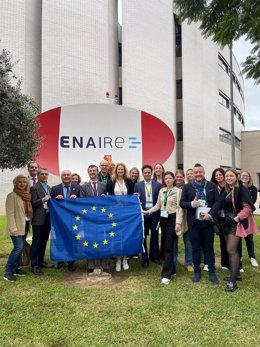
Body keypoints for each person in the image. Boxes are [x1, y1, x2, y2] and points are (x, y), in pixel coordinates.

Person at [180, 163, 220, 284]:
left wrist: (211, 214)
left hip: (208, 222)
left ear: (204, 172)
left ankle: (212, 272)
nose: (198, 174)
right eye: (196, 172)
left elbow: (218, 203)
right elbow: (182, 203)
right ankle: (197, 271)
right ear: (193, 173)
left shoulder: (212, 185)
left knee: (209, 247)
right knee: (195, 248)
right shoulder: (187, 187)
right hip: (194, 223)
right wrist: (192, 204)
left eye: (200, 172)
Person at [143, 171, 183, 285]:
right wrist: (148, 211)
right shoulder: (162, 190)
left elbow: (180, 208)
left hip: (173, 218)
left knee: (169, 246)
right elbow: (158, 205)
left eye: (170, 178)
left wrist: (178, 223)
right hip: (163, 219)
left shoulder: (178, 191)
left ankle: (166, 275)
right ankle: (172, 269)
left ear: (173, 179)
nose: (168, 180)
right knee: (167, 244)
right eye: (166, 178)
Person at [220, 169, 256, 292]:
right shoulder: (226, 190)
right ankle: (236, 274)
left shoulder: (242, 188)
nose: (229, 178)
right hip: (226, 223)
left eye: (231, 176)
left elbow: (248, 208)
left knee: (231, 249)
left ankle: (233, 282)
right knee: (232, 250)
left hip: (236, 223)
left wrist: (238, 218)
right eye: (227, 176)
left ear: (236, 177)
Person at [3, 175, 33, 282]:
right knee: (18, 248)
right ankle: (8, 272)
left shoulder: (26, 196)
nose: (22, 184)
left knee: (20, 248)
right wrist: (13, 228)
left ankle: (15, 269)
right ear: (15, 183)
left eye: (24, 182)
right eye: (20, 182)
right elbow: (10, 214)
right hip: (16, 227)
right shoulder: (12, 196)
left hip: (24, 225)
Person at [50, 170, 80, 271]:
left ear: (71, 176)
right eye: (64, 175)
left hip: (73, 220)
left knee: (72, 239)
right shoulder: (55, 188)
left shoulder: (78, 188)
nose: (66, 176)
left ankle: (71, 262)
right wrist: (55, 198)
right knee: (60, 239)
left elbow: (83, 202)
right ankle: (60, 260)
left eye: (68, 175)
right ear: (61, 177)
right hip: (60, 220)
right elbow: (50, 203)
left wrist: (77, 198)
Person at [107, 163, 134, 271]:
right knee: (117, 235)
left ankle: (125, 259)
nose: (120, 171)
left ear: (124, 170)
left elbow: (132, 195)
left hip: (126, 212)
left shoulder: (129, 181)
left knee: (126, 235)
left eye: (122, 169)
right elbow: (108, 196)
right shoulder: (111, 181)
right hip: (115, 212)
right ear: (115, 170)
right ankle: (118, 259)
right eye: (118, 169)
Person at [80, 165, 108, 273]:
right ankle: (90, 265)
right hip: (89, 219)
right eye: (90, 171)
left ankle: (103, 264)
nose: (92, 172)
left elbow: (108, 201)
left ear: (98, 172)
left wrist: (105, 198)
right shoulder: (83, 187)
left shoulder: (104, 185)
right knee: (90, 240)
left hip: (102, 218)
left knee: (102, 239)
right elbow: (82, 203)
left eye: (94, 170)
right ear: (88, 173)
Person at [134, 165, 162, 268]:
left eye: (149, 172)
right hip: (143, 213)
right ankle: (145, 258)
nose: (147, 174)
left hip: (154, 213)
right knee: (144, 237)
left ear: (152, 173)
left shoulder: (158, 185)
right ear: (142, 174)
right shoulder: (138, 185)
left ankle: (154, 257)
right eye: (145, 173)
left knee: (155, 236)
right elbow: (135, 200)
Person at [30, 168, 54, 276]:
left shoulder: (49, 188)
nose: (44, 176)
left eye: (46, 174)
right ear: (38, 176)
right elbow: (33, 203)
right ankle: (34, 265)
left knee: (44, 241)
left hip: (47, 218)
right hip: (38, 218)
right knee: (36, 242)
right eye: (42, 174)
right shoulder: (34, 188)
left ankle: (41, 261)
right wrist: (44, 199)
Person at [173, 169, 193, 272]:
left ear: (184, 177)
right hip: (173, 219)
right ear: (175, 178)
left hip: (186, 218)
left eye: (181, 177)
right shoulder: (171, 189)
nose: (179, 178)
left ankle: (189, 262)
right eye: (177, 176)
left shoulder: (188, 188)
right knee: (174, 242)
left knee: (188, 242)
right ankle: (174, 262)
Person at [210, 168, 229, 270]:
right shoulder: (214, 187)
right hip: (218, 216)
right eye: (216, 175)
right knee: (222, 240)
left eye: (220, 175)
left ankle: (236, 262)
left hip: (229, 216)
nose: (218, 177)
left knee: (232, 240)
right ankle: (224, 263)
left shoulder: (229, 186)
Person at [240, 171, 258, 267]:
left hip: (249, 216)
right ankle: (239, 257)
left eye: (246, 176)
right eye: (242, 175)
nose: (244, 177)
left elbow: (252, 201)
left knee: (249, 238)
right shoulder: (237, 187)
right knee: (238, 237)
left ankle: (252, 257)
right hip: (239, 215)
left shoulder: (253, 188)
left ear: (249, 177)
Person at [25, 161, 39, 237]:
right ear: (28, 169)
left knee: (37, 234)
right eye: (32, 167)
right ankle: (23, 248)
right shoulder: (24, 181)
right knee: (24, 231)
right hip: (27, 210)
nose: (34, 169)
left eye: (36, 167)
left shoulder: (42, 181)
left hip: (38, 210)